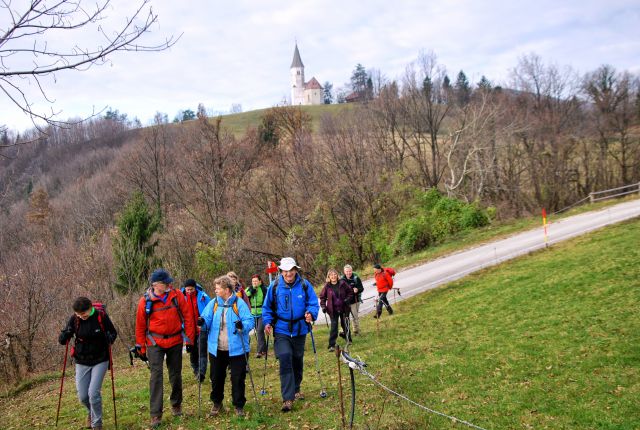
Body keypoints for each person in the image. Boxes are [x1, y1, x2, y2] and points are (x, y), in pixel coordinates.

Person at [135, 268, 196, 429]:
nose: (170, 283)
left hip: (176, 340)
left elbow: (188, 316)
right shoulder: (145, 301)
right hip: (155, 342)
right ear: (156, 285)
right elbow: (140, 325)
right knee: (156, 377)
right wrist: (141, 347)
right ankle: (156, 414)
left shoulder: (177, 295)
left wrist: (189, 340)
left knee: (175, 374)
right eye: (166, 282)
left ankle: (176, 404)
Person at [262, 257, 319, 412]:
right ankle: (288, 398)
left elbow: (313, 303)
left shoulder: (304, 285)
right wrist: (267, 322)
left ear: (295, 270)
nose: (288, 273)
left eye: (291, 270)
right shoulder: (274, 287)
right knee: (285, 356)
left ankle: (296, 387)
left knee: (297, 359)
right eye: (285, 271)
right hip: (281, 329)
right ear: (281, 271)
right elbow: (266, 308)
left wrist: (311, 314)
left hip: (300, 328)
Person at [198, 275, 255, 417]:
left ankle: (239, 405)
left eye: (218, 288)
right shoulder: (213, 303)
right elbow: (206, 319)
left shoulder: (239, 303)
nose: (215, 290)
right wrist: (202, 322)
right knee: (216, 377)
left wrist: (243, 326)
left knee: (237, 378)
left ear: (227, 289)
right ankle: (217, 403)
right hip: (217, 349)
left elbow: (249, 321)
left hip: (237, 349)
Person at [58, 297, 117, 430]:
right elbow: (63, 340)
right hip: (81, 359)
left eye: (83, 313)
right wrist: (65, 335)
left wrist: (110, 338)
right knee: (83, 396)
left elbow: (113, 332)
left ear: (90, 309)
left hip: (100, 359)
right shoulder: (74, 319)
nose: (81, 316)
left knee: (93, 393)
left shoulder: (101, 316)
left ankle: (97, 424)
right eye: (79, 314)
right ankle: (91, 412)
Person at [181, 278, 211, 382]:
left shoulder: (203, 296)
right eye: (187, 289)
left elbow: (211, 309)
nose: (189, 291)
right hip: (188, 331)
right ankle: (196, 370)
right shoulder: (180, 297)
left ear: (195, 288)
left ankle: (202, 373)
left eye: (191, 289)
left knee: (202, 350)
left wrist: (205, 322)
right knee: (193, 352)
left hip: (201, 328)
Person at [319, 268, 354, 351]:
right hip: (333, 310)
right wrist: (323, 306)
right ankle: (331, 345)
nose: (333, 276)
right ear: (329, 277)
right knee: (334, 327)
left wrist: (347, 299)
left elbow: (350, 292)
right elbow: (322, 297)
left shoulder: (343, 283)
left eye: (335, 274)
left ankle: (348, 340)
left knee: (345, 324)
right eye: (331, 275)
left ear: (337, 275)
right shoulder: (327, 286)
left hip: (344, 308)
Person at [246, 274, 268, 358]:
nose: (254, 283)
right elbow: (245, 296)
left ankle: (259, 351)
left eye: (256, 281)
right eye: (253, 281)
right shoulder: (249, 289)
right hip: (252, 313)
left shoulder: (264, 289)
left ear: (260, 281)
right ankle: (264, 349)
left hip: (262, 313)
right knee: (258, 332)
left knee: (259, 330)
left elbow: (267, 300)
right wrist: (251, 292)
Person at [341, 264, 364, 335]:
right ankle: (345, 332)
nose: (348, 273)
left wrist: (357, 290)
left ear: (352, 271)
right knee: (345, 317)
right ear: (344, 272)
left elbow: (361, 288)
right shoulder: (341, 280)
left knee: (355, 316)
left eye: (350, 271)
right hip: (345, 302)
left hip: (355, 301)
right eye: (347, 271)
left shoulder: (356, 278)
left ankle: (356, 331)